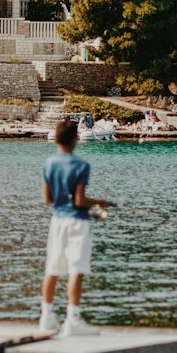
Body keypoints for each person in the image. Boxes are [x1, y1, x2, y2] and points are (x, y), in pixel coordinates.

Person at [40, 118, 107, 337]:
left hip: (57, 221)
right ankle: (73, 320)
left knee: (52, 268)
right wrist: (99, 202)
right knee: (76, 269)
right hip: (77, 221)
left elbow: (48, 198)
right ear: (75, 139)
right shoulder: (81, 166)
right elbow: (79, 200)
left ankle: (47, 317)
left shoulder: (48, 164)